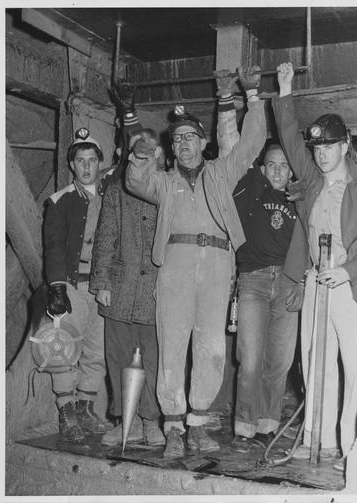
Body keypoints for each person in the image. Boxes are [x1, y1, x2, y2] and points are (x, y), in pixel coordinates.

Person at [125, 66, 266, 459]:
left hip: (219, 264)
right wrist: (138, 153)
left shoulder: (221, 172)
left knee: (211, 346)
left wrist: (251, 95)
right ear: (171, 149)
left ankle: (199, 423)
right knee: (172, 343)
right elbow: (135, 181)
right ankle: (173, 426)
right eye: (178, 139)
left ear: (204, 142)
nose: (184, 143)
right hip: (176, 266)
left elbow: (252, 143)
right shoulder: (164, 181)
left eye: (191, 137)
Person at [273, 62, 357, 471]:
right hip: (315, 284)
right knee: (316, 367)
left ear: (346, 145)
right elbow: (288, 137)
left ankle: (351, 449)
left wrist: (349, 269)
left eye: (328, 147)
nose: (321, 155)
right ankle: (315, 441)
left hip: (352, 290)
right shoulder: (311, 179)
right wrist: (284, 90)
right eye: (317, 149)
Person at [89, 94, 166, 447]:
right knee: (118, 356)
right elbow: (105, 235)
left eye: (149, 153)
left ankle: (151, 420)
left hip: (155, 293)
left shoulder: (170, 188)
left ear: (159, 157)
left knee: (154, 358)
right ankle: (126, 421)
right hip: (119, 289)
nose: (142, 158)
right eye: (137, 152)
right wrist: (101, 280)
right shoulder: (117, 190)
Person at [227, 141, 308, 453]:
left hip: (288, 282)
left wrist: (300, 282)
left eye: (284, 165)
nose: (278, 170)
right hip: (254, 281)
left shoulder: (299, 200)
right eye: (272, 164)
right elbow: (240, 148)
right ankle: (243, 428)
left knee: (279, 361)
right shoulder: (251, 190)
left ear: (291, 171)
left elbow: (311, 242)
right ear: (262, 168)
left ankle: (267, 426)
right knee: (250, 359)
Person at [43, 127, 113, 441]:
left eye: (92, 160)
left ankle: (86, 408)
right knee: (64, 349)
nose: (86, 166)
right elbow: (54, 247)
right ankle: (66, 412)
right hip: (71, 286)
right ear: (72, 165)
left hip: (100, 288)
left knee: (96, 352)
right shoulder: (60, 201)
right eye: (80, 160)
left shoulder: (110, 200)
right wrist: (57, 287)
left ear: (100, 163)